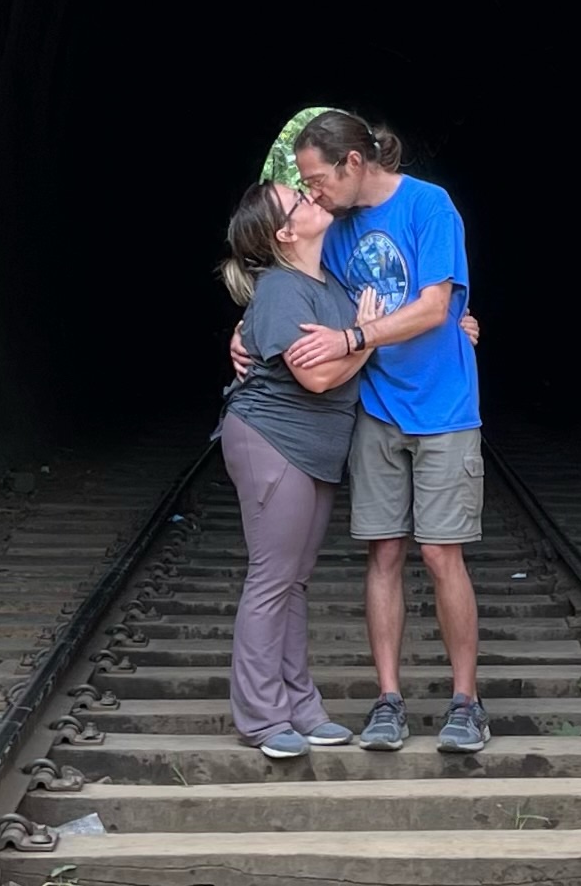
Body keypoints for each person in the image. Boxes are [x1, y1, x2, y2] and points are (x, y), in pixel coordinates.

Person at [233, 111, 488, 753]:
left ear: (352, 163)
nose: (312, 193)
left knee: (441, 554)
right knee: (382, 552)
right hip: (372, 408)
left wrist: (362, 335)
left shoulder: (429, 205)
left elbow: (432, 306)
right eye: (303, 189)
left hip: (443, 405)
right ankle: (387, 700)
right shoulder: (335, 226)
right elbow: (288, 289)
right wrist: (244, 334)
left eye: (317, 179)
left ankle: (466, 702)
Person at [215, 179, 381, 760]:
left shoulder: (326, 281)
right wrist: (364, 341)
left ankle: (302, 708)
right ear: (285, 234)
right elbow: (316, 377)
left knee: (294, 579)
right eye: (299, 201)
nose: (313, 199)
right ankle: (262, 719)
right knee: (272, 577)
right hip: (271, 438)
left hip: (313, 446)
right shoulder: (283, 287)